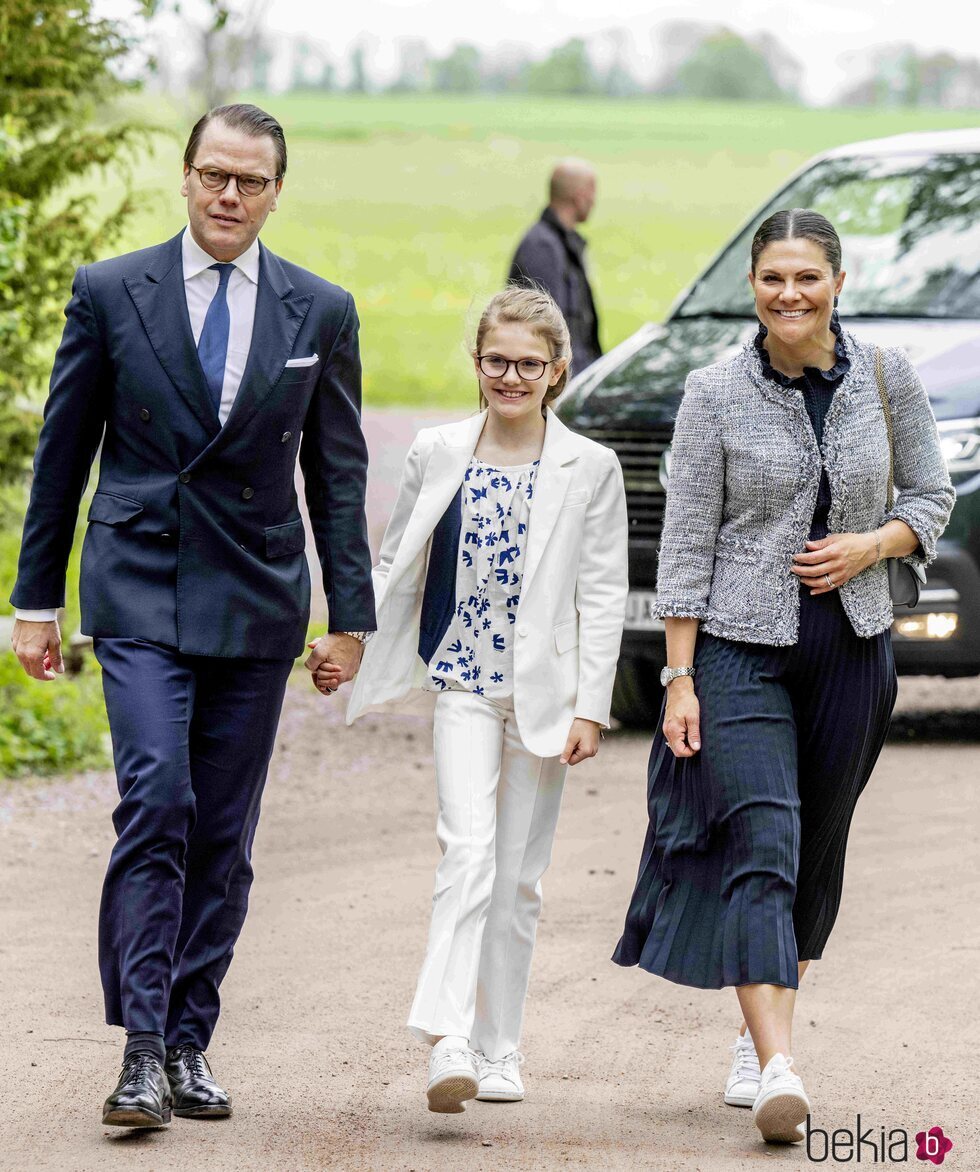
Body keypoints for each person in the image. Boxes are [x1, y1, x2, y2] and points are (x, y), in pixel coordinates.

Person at [9, 103, 376, 1129]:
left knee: (223, 829)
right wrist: (35, 601)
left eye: (250, 181)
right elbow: (63, 454)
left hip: (258, 594)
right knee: (157, 798)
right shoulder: (109, 290)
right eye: (213, 174)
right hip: (136, 580)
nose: (228, 195)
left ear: (274, 192)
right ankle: (136, 1050)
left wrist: (348, 615)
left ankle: (187, 1038)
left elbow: (338, 477)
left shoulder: (320, 309)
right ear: (184, 176)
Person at [612, 209, 953, 1144]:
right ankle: (775, 1065)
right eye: (773, 279)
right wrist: (678, 679)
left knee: (816, 847)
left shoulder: (886, 377)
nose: (790, 294)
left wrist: (871, 546)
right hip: (738, 649)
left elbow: (932, 496)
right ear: (753, 286)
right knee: (762, 834)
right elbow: (684, 546)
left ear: (837, 282)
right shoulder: (714, 391)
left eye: (807, 277)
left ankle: (761, 1016)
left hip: (854, 644)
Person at [340, 287, 628, 1113]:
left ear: (556, 371)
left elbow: (604, 592)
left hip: (543, 696)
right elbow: (395, 566)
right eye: (497, 360)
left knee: (518, 879)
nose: (511, 376)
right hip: (462, 682)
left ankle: (501, 1049)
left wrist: (591, 707)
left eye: (528, 364)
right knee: (464, 851)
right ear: (476, 363)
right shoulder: (438, 451)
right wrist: (352, 646)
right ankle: (449, 1040)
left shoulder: (589, 467)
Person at [508, 159, 602, 376]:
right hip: (560, 381)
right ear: (579, 196)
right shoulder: (542, 247)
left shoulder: (561, 244)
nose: (594, 201)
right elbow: (547, 328)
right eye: (592, 192)